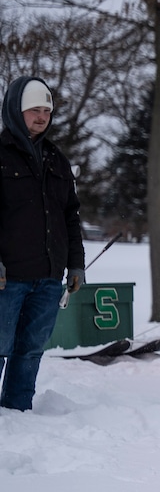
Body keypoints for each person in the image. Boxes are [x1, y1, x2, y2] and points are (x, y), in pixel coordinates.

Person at [0, 76, 85, 411]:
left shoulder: (56, 159)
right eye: (33, 109)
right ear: (14, 111)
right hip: (8, 277)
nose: (41, 116)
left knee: (31, 348)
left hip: (49, 278)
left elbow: (71, 217)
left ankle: (17, 411)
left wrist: (75, 263)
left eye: (46, 111)